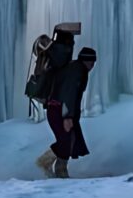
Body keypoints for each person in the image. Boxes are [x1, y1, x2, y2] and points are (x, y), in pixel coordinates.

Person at [36, 47, 97, 179]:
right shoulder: (77, 70)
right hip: (59, 110)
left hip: (57, 109)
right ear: (86, 61)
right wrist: (67, 116)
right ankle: (46, 163)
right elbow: (69, 93)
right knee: (66, 140)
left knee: (69, 140)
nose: (93, 65)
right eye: (92, 62)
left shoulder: (74, 68)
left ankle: (61, 170)